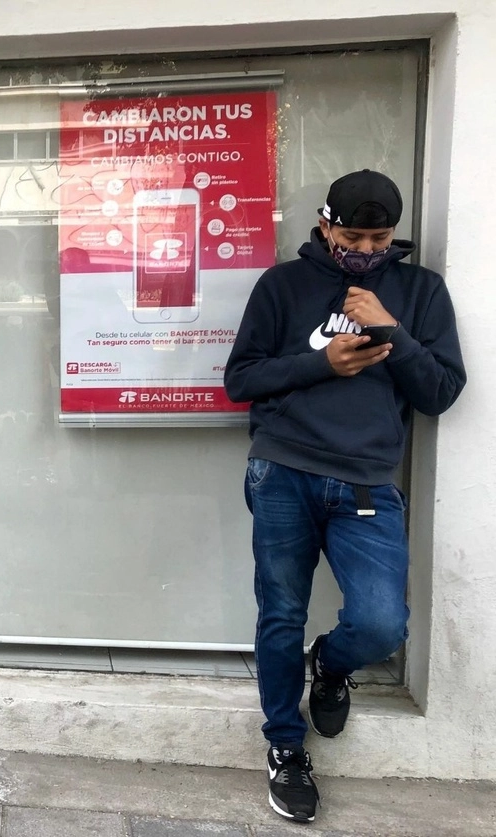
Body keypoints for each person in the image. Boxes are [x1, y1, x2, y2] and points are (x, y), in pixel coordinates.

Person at [223, 169, 467, 823]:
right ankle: (283, 746)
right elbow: (238, 379)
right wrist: (319, 363)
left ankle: (328, 664)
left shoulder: (418, 292)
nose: (363, 247)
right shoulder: (282, 285)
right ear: (324, 223)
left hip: (366, 478)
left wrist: (392, 331)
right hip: (282, 470)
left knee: (382, 622)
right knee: (279, 613)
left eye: (378, 236)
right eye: (351, 234)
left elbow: (440, 392)